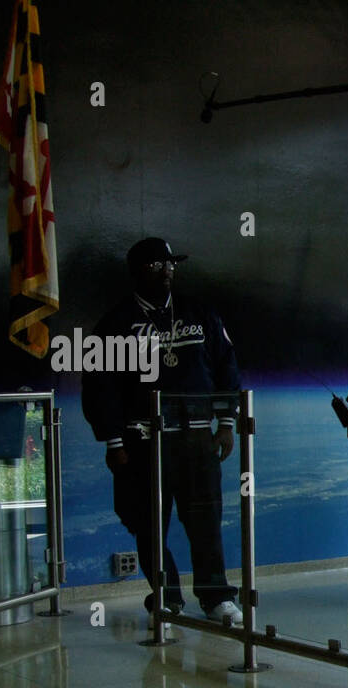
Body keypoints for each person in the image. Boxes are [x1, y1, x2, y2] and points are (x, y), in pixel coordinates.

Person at [82, 237, 244, 625]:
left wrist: (226, 423)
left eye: (171, 265)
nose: (167, 272)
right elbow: (100, 387)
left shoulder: (200, 313)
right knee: (148, 525)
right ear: (137, 272)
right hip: (142, 444)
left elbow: (226, 366)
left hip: (198, 439)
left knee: (205, 523)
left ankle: (216, 597)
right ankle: (168, 596)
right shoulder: (115, 325)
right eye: (157, 266)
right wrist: (114, 441)